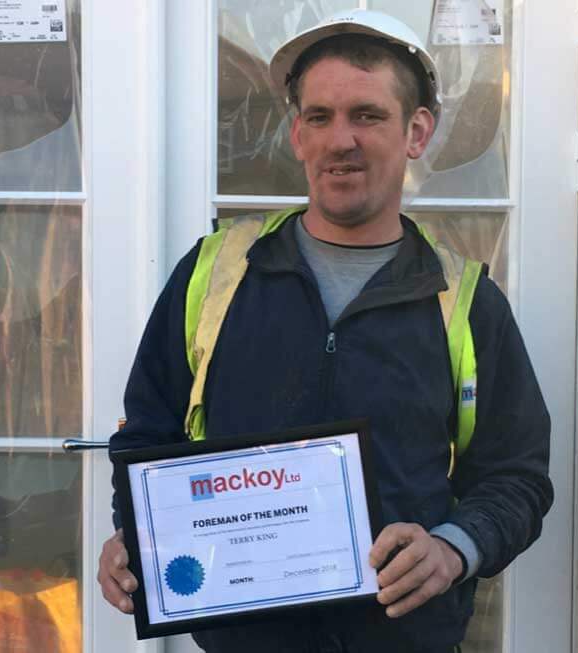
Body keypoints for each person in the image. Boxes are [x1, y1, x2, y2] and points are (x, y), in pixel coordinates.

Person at [97, 9, 553, 653]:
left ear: (416, 130)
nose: (341, 140)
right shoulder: (214, 275)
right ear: (297, 134)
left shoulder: (466, 301)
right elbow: (146, 435)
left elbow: (517, 476)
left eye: (367, 115)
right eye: (320, 117)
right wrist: (137, 536)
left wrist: (455, 549)